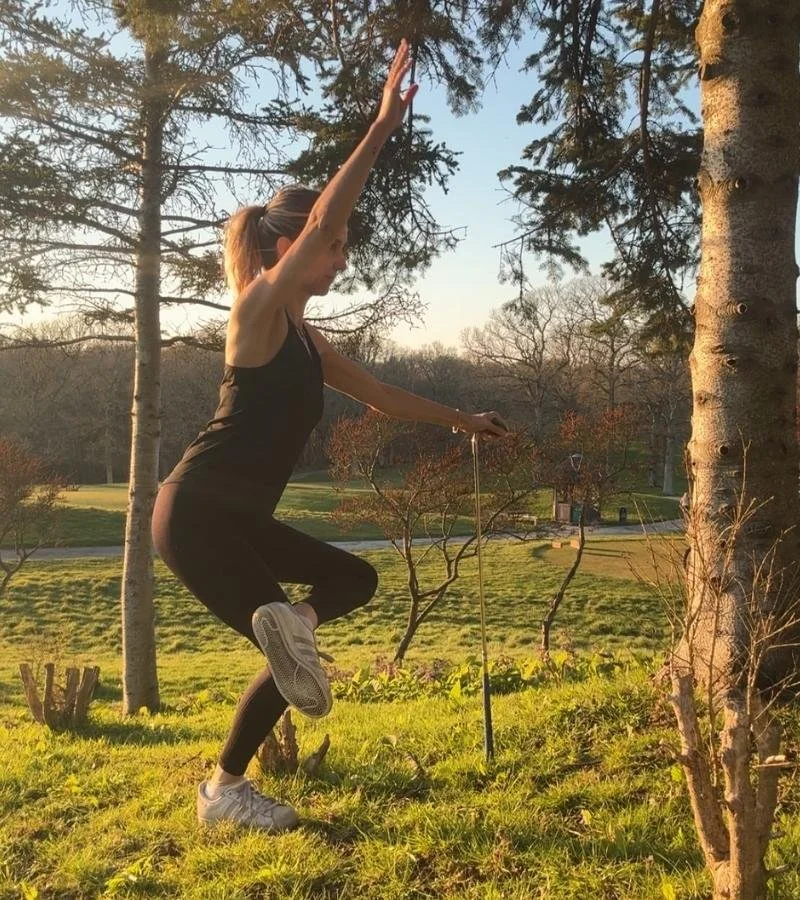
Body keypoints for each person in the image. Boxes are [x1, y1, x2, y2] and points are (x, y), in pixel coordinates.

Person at [151, 40, 508, 833]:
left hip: (239, 519)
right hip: (198, 511)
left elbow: (380, 396)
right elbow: (325, 216)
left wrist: (466, 421)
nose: (341, 256)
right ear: (287, 247)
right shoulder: (255, 311)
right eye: (332, 246)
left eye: (341, 248)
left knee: (350, 586)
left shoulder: (310, 343)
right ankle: (227, 790)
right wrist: (382, 126)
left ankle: (234, 769)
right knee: (288, 644)